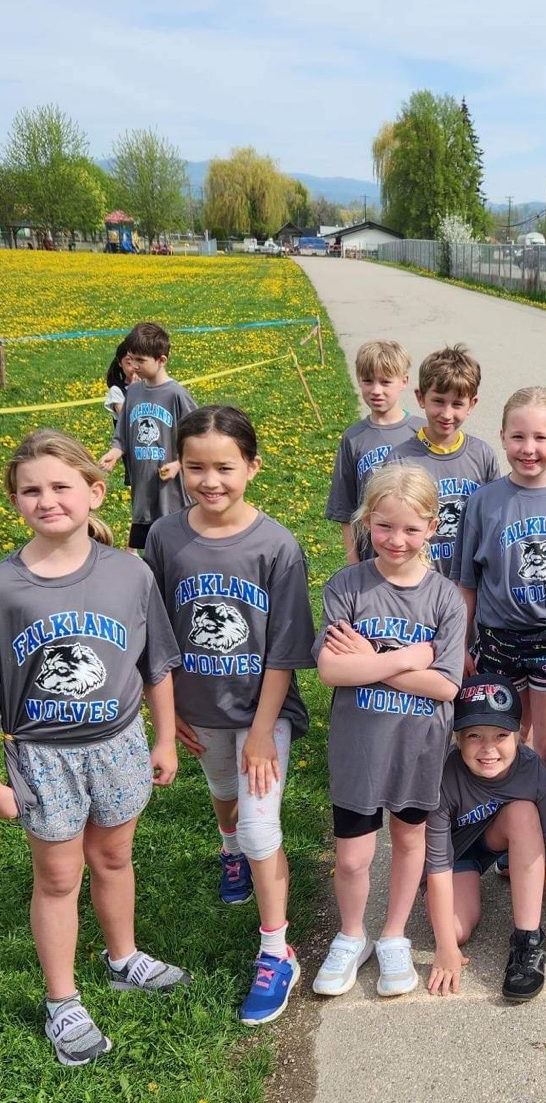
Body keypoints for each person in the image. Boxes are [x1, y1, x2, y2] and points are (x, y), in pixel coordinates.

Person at [0, 430, 190, 1067]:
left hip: (119, 742)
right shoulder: (6, 586)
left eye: (61, 486)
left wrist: (165, 738)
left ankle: (122, 958)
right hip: (42, 754)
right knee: (57, 878)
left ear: (96, 492)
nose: (47, 500)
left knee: (113, 856)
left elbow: (155, 664)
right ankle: (62, 1000)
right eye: (31, 490)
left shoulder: (129, 572)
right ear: (14, 501)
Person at [144, 406, 317, 1026]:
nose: (210, 481)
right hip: (198, 706)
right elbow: (153, 632)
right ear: (179, 468)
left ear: (252, 466)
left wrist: (263, 734)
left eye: (225, 467)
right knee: (223, 791)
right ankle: (229, 852)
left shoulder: (277, 545)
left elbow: (285, 649)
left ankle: (277, 952)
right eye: (196, 468)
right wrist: (163, 713)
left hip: (262, 709)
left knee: (260, 827)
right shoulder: (164, 537)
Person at [313, 465, 466, 999]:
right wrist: (405, 657)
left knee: (408, 839)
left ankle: (394, 933)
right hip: (359, 746)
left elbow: (446, 686)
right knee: (353, 857)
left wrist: (370, 660)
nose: (396, 540)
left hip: (417, 747)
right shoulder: (347, 586)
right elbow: (331, 670)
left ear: (432, 527)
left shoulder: (445, 598)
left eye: (410, 529)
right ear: (366, 523)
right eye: (383, 526)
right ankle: (351, 934)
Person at [451, 386, 546, 916]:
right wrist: (460, 644)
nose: (529, 448)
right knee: (507, 744)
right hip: (498, 641)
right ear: (502, 437)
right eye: (518, 436)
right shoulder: (485, 501)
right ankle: (506, 838)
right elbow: (467, 582)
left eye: (540, 437)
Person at [424, 673, 546, 1001]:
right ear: (457, 738)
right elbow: (438, 865)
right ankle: (463, 894)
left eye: (501, 735)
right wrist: (445, 947)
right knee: (454, 932)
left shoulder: (532, 769)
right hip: (454, 855)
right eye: (474, 735)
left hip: (495, 835)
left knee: (523, 813)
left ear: (518, 735)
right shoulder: (444, 775)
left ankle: (528, 939)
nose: (488, 749)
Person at [388, 344, 500, 574]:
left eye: (457, 404)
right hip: (418, 580)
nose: (447, 414)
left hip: (470, 580)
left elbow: (494, 523)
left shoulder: (483, 455)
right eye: (438, 401)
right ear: (421, 397)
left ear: (472, 404)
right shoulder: (399, 459)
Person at [99, 321, 197, 552]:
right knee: (149, 551)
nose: (134, 366)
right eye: (131, 359)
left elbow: (198, 437)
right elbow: (123, 431)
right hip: (143, 493)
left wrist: (179, 463)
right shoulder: (133, 392)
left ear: (161, 360)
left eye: (141, 361)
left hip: (172, 495)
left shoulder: (176, 394)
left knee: (175, 551)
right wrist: (115, 451)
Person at [325, 339, 422, 564]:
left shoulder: (421, 432)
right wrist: (353, 566)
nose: (376, 390)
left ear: (404, 381)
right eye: (368, 381)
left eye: (386, 382)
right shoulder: (353, 438)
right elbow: (346, 511)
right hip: (370, 560)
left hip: (416, 559)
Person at [103, 338, 139, 487]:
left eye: (138, 361)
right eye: (128, 362)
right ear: (120, 363)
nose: (134, 367)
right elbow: (127, 416)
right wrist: (135, 392)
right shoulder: (117, 391)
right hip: (132, 450)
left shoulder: (152, 386)